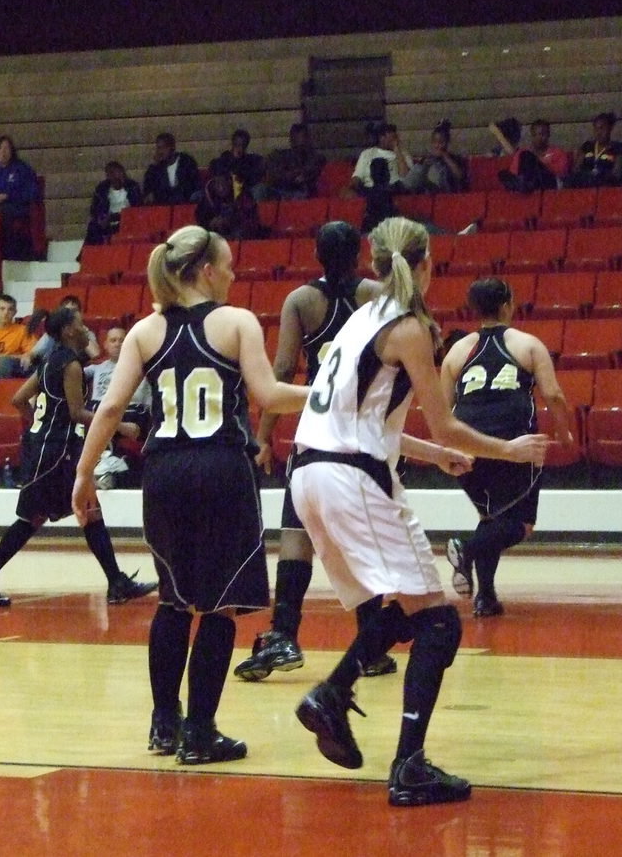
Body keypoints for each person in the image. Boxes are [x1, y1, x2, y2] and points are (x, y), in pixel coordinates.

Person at [288, 217, 549, 806]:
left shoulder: (361, 318)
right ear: (428, 263)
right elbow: (446, 422)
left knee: (407, 612)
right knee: (439, 622)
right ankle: (407, 765)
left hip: (309, 474)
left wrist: (435, 455)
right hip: (350, 478)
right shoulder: (409, 327)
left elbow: (370, 420)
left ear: (376, 264)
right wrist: (508, 450)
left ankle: (333, 693)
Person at [72, 225, 309, 766]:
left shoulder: (144, 331)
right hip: (221, 469)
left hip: (165, 472)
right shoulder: (237, 322)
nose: (232, 274)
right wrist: (330, 394)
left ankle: (164, 724)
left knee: (173, 600)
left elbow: (110, 409)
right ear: (206, 270)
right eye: (227, 265)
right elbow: (269, 394)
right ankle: (200, 732)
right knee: (219, 605)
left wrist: (84, 474)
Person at [237, 221, 394, 683]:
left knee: (296, 529)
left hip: (317, 425)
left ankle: (284, 633)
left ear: (316, 255)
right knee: (360, 538)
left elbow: (284, 369)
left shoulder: (301, 301)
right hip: (363, 428)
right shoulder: (377, 295)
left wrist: (264, 436)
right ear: (359, 253)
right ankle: (371, 645)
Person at [0, 307, 158, 609]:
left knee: (67, 513)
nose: (85, 329)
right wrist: (120, 426)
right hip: (57, 453)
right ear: (67, 331)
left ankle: (115, 581)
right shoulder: (71, 365)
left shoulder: (48, 361)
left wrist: (38, 427)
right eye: (80, 324)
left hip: (45, 448)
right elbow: (77, 413)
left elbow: (18, 399)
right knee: (61, 514)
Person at [439, 277, 573, 617]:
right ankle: (466, 549)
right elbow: (554, 394)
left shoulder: (456, 351)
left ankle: (486, 597)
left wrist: (445, 450)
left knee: (491, 518)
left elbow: (442, 410)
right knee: (520, 524)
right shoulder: (528, 344)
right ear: (507, 305)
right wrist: (564, 432)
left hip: (469, 446)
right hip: (515, 445)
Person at [84, 327, 151, 490]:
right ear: (105, 345)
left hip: (131, 412)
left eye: (122, 340)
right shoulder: (97, 368)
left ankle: (107, 467)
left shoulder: (141, 368)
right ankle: (106, 466)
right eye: (113, 340)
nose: (117, 344)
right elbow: (65, 374)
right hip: (100, 410)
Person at [0, 135, 40, 261]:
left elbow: (32, 192)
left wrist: (8, 196)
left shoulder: (22, 169)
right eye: (0, 149)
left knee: (5, 215)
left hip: (16, 208)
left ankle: (7, 256)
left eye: (6, 148)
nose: (3, 152)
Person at [499, 119, 571, 193]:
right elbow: (514, 172)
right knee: (504, 174)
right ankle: (524, 185)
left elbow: (561, 174)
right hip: (529, 181)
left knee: (528, 157)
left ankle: (525, 185)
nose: (539, 138)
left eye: (542, 134)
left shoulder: (558, 153)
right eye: (535, 135)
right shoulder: (522, 153)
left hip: (548, 182)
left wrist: (538, 162)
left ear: (548, 135)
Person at [348, 123, 419, 194]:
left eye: (395, 137)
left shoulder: (404, 154)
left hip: (394, 188)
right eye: (392, 137)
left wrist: (397, 151)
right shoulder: (367, 154)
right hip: (371, 188)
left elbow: (405, 177)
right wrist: (352, 189)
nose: (395, 140)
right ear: (381, 138)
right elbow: (357, 176)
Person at [261, 123, 326, 200]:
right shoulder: (281, 155)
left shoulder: (316, 158)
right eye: (296, 138)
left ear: (308, 139)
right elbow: (273, 173)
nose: (299, 141)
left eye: (303, 137)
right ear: (291, 139)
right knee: (261, 189)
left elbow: (312, 171)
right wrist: (290, 175)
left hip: (303, 192)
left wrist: (302, 175)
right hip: (280, 190)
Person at [85, 161, 143, 244]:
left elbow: (138, 208)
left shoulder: (132, 187)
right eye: (110, 173)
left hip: (127, 220)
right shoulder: (102, 188)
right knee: (93, 227)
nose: (114, 176)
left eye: (116, 172)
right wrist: (101, 218)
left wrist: (116, 217)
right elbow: (95, 208)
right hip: (108, 221)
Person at [566, 112, 622, 187]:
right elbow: (576, 169)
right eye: (596, 129)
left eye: (602, 128)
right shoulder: (587, 146)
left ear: (610, 128)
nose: (599, 133)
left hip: (606, 185)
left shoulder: (618, 147)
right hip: (586, 183)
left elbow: (616, 172)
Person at [194, 173, 263, 240]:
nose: (221, 188)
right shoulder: (208, 196)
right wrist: (211, 223)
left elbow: (250, 220)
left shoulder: (243, 195)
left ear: (229, 181)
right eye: (217, 184)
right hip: (215, 234)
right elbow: (201, 219)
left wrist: (228, 220)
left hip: (239, 232)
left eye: (223, 184)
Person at [142, 133, 200, 205]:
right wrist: (153, 166)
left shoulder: (186, 162)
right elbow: (148, 188)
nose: (160, 152)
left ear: (172, 148)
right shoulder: (157, 168)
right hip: (164, 206)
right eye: (158, 148)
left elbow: (192, 185)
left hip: (185, 203)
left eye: (163, 148)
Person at [209, 129, 266, 201]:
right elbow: (218, 174)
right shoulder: (223, 160)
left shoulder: (250, 160)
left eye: (243, 146)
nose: (240, 148)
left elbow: (251, 178)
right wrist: (234, 160)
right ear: (233, 144)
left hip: (245, 191)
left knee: (259, 189)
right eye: (237, 145)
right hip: (227, 191)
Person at [412, 121, 469, 193]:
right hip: (426, 191)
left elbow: (460, 177)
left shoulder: (455, 158)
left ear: (447, 142)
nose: (437, 145)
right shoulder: (427, 158)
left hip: (446, 192)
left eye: (441, 142)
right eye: (435, 142)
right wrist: (425, 163)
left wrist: (445, 156)